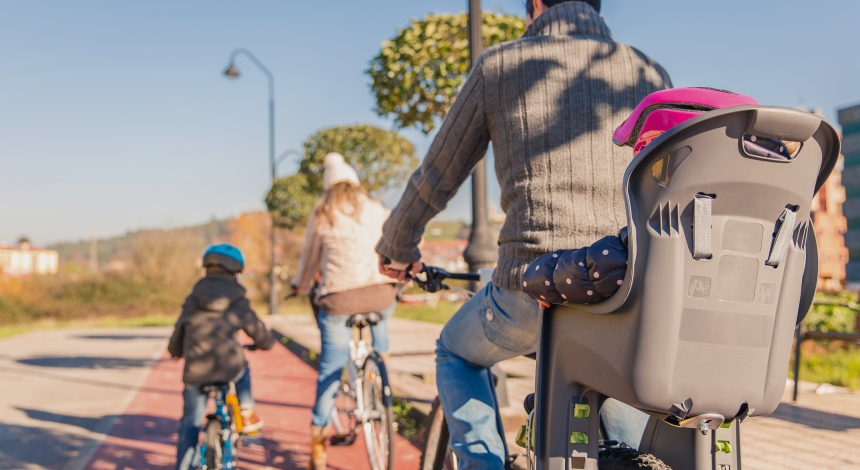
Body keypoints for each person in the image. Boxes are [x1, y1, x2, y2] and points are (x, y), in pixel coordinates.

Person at [376, 0, 672, 467]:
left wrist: (396, 248)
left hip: (531, 289)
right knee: (620, 430)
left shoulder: (501, 65)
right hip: (626, 289)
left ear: (535, 5)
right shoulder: (649, 72)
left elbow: (436, 176)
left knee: (455, 352)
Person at [291, 152, 398, 470]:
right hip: (380, 294)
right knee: (382, 329)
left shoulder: (323, 212)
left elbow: (310, 258)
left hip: (338, 300)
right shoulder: (377, 207)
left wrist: (299, 285)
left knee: (329, 370)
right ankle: (382, 377)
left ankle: (318, 447)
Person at [168, 243, 275, 470]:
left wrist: (175, 351)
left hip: (196, 370)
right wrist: (265, 343)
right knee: (243, 367)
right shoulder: (238, 299)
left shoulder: (194, 297)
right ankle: (246, 410)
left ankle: (183, 466)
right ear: (235, 271)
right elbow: (257, 331)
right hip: (229, 367)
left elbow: (179, 330)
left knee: (189, 424)